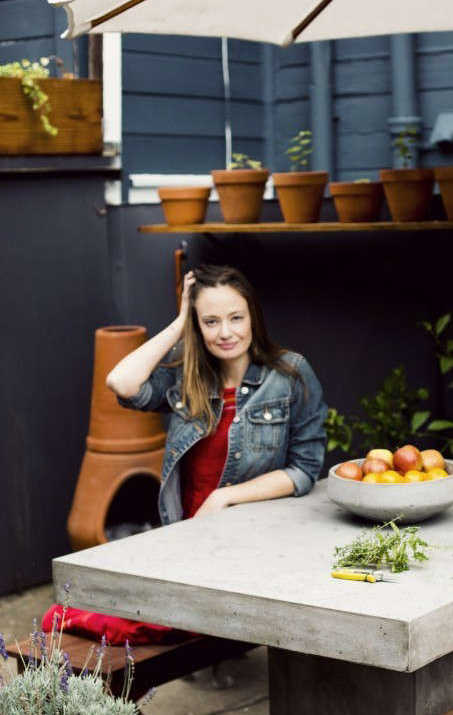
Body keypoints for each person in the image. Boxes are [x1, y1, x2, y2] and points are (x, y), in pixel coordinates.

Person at [44, 264, 327, 646]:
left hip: (247, 544)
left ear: (252, 318)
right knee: (139, 610)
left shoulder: (290, 375)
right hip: (185, 540)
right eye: (210, 321)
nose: (225, 332)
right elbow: (121, 382)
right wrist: (181, 323)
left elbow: (304, 470)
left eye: (235, 318)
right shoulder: (187, 379)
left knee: (159, 620)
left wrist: (225, 496)